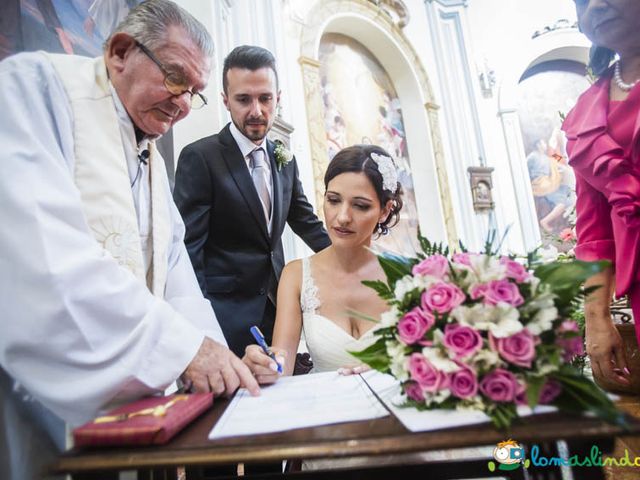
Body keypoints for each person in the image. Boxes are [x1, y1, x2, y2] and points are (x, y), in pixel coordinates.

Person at [0, 2, 258, 479]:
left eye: (195, 93)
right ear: (120, 52)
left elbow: (174, 268)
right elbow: (42, 254)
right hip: (36, 397)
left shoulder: (151, 158)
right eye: (177, 80)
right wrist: (183, 350)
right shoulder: (34, 87)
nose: (183, 103)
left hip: (126, 413)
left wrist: (220, 357)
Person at [174, 45, 331, 357]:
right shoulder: (201, 157)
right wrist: (200, 329)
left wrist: (353, 261)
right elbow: (187, 250)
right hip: (223, 320)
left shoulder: (284, 160)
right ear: (225, 101)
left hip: (279, 313)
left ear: (278, 99)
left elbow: (306, 222)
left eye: (265, 98)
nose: (257, 110)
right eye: (244, 99)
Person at [242, 144, 402, 382]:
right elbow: (281, 365)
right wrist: (263, 364)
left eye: (360, 206)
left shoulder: (408, 275)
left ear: (385, 211)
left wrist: (398, 366)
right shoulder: (296, 275)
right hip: (324, 412)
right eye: (334, 200)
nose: (343, 217)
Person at [562, 0, 640, 388]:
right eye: (581, 1)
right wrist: (596, 317)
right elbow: (594, 234)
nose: (594, 5)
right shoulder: (586, 113)